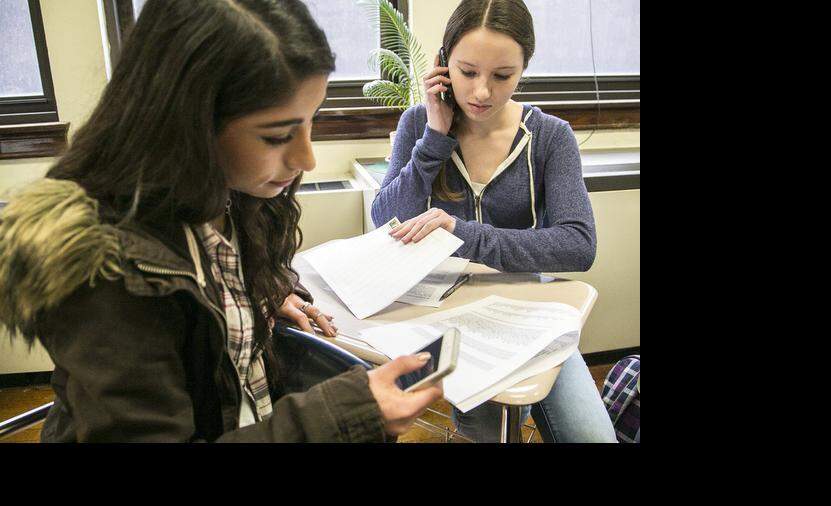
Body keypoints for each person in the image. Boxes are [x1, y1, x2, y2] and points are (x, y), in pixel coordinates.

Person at [0, 0, 441, 442]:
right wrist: (344, 415)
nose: (306, 158)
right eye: (276, 135)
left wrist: (262, 292)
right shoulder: (107, 275)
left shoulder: (231, 191)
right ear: (188, 123)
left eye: (313, 121)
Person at [371, 0, 616, 443]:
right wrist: (434, 138)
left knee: (592, 436)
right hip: (445, 320)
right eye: (467, 72)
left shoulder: (549, 136)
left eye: (502, 76)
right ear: (444, 63)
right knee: (483, 430)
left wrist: (462, 234)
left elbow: (578, 245)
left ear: (523, 69)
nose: (482, 92)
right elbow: (384, 222)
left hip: (528, 315)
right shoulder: (417, 124)